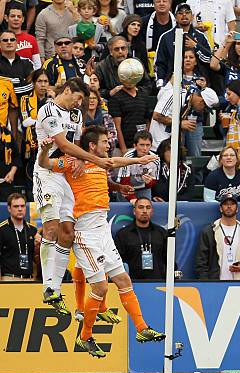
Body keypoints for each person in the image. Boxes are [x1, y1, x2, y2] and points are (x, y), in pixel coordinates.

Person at [37, 126, 165, 357]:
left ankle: (141, 328)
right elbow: (46, 165)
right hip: (85, 232)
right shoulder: (73, 162)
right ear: (91, 145)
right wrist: (44, 151)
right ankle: (84, 336)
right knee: (101, 286)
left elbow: (117, 161)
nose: (109, 145)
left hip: (103, 229)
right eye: (105, 141)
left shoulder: (101, 162)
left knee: (124, 279)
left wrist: (142, 158)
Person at [34, 78, 113, 315]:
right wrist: (95, 159)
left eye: (82, 100)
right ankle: (48, 286)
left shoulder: (76, 115)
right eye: (77, 98)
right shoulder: (47, 111)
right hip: (48, 171)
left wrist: (80, 159)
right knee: (51, 228)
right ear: (67, 90)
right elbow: (63, 145)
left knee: (67, 233)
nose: (79, 103)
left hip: (66, 175)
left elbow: (76, 144)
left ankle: (55, 288)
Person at [194, 193, 240, 280]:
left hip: (239, 284)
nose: (229, 206)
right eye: (225, 204)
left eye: (232, 204)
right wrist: (206, 284)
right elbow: (201, 262)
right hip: (214, 284)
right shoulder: (209, 231)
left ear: (237, 209)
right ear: (221, 209)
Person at [155, 3, 212, 89]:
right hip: (171, 82)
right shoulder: (166, 37)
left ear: (192, 17)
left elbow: (209, 60)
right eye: (180, 13)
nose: (184, 15)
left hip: (198, 83)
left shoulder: (200, 36)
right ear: (175, 17)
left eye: (187, 12)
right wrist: (160, 84)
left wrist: (196, 46)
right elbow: (160, 63)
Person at [114, 197, 168, 279]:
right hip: (132, 283)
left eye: (148, 207)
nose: (145, 211)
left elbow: (169, 260)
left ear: (152, 212)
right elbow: (117, 263)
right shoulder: (123, 234)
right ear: (134, 211)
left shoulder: (161, 233)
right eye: (141, 207)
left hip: (159, 283)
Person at [20, 69, 52, 199]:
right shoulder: (25, 99)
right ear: (34, 83)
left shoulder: (52, 101)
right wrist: (42, 122)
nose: (43, 85)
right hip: (30, 146)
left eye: (46, 81)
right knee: (30, 180)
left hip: (49, 146)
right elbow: (25, 122)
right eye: (40, 81)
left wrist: (36, 122)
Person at [108, 69, 151, 154]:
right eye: (127, 77)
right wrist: (124, 150)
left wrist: (145, 144)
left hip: (141, 147)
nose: (130, 80)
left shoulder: (143, 95)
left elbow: (147, 121)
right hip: (123, 148)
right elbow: (117, 126)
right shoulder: (116, 98)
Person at [0, 193, 39, 280]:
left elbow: (37, 259)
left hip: (30, 279)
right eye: (16, 206)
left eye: (22, 206)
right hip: (9, 278)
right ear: (9, 208)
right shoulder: (2, 229)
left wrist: (38, 247)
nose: (20, 209)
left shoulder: (33, 230)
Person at [118, 131, 160, 202]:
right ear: (135, 146)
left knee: (145, 209)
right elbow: (124, 181)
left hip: (144, 189)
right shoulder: (128, 157)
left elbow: (155, 181)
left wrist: (149, 182)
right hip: (126, 188)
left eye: (148, 145)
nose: (145, 148)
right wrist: (133, 199)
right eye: (142, 145)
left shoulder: (155, 159)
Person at [5, 3, 41, 69]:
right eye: (13, 16)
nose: (16, 19)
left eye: (19, 16)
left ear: (23, 19)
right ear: (6, 18)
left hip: (28, 77)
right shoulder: (2, 39)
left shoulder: (32, 39)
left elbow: (37, 66)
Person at [0, 30, 34, 100]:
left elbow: (30, 86)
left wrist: (7, 83)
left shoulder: (27, 63)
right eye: (5, 40)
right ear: (0, 44)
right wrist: (20, 80)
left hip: (23, 105)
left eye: (12, 40)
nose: (9, 42)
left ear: (16, 43)